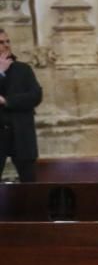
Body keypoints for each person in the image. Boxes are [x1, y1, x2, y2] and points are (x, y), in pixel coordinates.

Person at [0, 29, 42, 183]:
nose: (6, 45)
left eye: (7, 41)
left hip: (21, 132)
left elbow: (35, 96)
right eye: (1, 42)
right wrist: (0, 72)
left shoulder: (23, 69)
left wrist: (7, 101)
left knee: (29, 182)